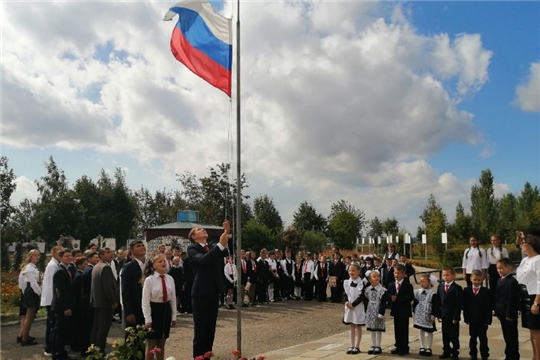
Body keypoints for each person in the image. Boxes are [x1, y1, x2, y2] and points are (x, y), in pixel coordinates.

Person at [188, 220, 230, 359]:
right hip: (200, 293)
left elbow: (224, 252)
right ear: (194, 236)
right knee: (200, 330)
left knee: (210, 329)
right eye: (199, 229)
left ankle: (207, 355)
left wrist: (226, 234)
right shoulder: (193, 249)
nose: (203, 230)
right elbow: (204, 260)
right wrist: (219, 244)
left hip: (213, 291)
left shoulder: (211, 246)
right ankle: (198, 357)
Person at [142, 253, 176, 360]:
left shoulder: (170, 278)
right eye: (160, 261)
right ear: (154, 266)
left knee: (161, 343)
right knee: (152, 344)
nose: (163, 263)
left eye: (164, 261)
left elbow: (173, 299)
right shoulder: (150, 280)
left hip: (165, 310)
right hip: (154, 310)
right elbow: (145, 301)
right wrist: (148, 318)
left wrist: (174, 316)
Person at [90, 247, 120, 354]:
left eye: (112, 252)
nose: (111, 254)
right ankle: (99, 351)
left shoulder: (96, 266)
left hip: (97, 302)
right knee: (103, 328)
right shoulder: (105, 268)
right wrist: (112, 301)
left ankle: (93, 348)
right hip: (105, 303)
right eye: (108, 253)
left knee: (97, 326)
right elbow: (107, 287)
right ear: (101, 255)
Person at [516, 233, 540, 359]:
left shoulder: (538, 260)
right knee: (531, 329)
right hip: (524, 296)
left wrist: (536, 303)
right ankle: (534, 355)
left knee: (537, 330)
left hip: (534, 297)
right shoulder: (525, 259)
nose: (521, 246)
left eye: (523, 244)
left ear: (531, 245)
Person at [463, 269, 492, 360]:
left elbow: (488, 307)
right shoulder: (466, 291)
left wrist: (488, 320)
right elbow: (465, 306)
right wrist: (466, 318)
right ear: (471, 279)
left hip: (482, 320)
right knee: (473, 337)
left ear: (482, 280)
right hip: (472, 319)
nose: (476, 282)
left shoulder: (486, 292)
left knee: (483, 338)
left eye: (479, 280)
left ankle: (484, 354)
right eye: (475, 280)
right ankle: (473, 354)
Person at [495, 257, 520, 360]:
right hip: (501, 312)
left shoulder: (512, 282)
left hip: (509, 314)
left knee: (511, 336)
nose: (499, 270)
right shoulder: (499, 280)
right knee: (506, 335)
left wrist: (510, 314)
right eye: (497, 268)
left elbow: (512, 299)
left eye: (501, 268)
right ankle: (508, 354)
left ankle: (513, 356)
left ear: (509, 268)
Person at [40, 245, 63, 357]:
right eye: (59, 252)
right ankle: (49, 347)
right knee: (52, 324)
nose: (61, 255)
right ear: (53, 253)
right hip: (51, 299)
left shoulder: (55, 264)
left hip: (51, 298)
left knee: (52, 323)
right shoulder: (53, 266)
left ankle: (51, 345)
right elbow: (53, 285)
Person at [52, 249, 74, 360]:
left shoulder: (67, 269)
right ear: (60, 258)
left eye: (70, 255)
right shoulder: (60, 271)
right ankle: (58, 353)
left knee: (64, 329)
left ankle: (61, 351)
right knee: (60, 330)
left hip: (66, 304)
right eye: (67, 256)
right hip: (61, 306)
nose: (70, 257)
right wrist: (66, 307)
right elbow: (59, 291)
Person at [436, 266, 463, 360]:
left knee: (454, 335)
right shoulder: (441, 286)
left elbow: (458, 304)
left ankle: (455, 352)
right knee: (445, 334)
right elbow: (438, 301)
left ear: (453, 276)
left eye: (447, 275)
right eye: (444, 275)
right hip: (444, 315)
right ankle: (446, 350)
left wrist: (456, 317)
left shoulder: (457, 288)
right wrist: (438, 314)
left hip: (452, 316)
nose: (445, 277)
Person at [18, 249, 42, 346]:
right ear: (30, 257)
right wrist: (40, 293)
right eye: (34, 255)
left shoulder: (33, 267)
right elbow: (32, 283)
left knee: (30, 316)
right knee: (29, 316)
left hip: (29, 291)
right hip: (31, 291)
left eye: (38, 255)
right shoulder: (29, 268)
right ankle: (25, 339)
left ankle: (23, 335)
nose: (37, 257)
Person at [388, 264, 414, 356]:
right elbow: (388, 295)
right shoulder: (391, 285)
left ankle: (404, 347)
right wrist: (390, 298)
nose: (396, 275)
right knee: (397, 329)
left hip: (404, 311)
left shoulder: (408, 285)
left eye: (398, 273)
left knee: (403, 329)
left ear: (403, 274)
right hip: (395, 310)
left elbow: (410, 297)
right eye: (395, 273)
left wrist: (398, 298)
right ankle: (398, 345)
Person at [121, 240, 146, 329]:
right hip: (135, 307)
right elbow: (125, 290)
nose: (142, 247)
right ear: (132, 251)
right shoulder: (128, 267)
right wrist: (129, 312)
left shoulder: (150, 265)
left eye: (142, 245)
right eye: (138, 246)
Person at [364, 270, 390, 355]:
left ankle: (378, 345)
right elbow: (366, 300)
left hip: (378, 310)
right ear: (370, 279)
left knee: (378, 329)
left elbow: (383, 303)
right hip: (370, 310)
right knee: (372, 329)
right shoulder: (367, 289)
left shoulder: (383, 290)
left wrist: (381, 313)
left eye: (378, 276)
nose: (377, 278)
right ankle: (373, 345)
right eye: (374, 276)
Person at [343, 263, 365, 355]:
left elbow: (362, 296)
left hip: (358, 307)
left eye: (353, 271)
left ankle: (357, 346)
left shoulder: (362, 282)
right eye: (350, 270)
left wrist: (354, 304)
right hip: (349, 307)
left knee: (358, 326)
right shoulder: (346, 282)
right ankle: (351, 345)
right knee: (351, 326)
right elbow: (344, 294)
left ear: (358, 272)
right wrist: (347, 302)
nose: (351, 272)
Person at [413, 273, 438, 357]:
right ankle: (422, 346)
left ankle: (429, 347)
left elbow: (435, 306)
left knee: (429, 331)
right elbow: (415, 302)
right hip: (420, 313)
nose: (421, 283)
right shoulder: (418, 292)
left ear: (429, 282)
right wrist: (414, 311)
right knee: (421, 329)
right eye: (420, 281)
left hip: (428, 314)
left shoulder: (433, 294)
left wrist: (433, 315)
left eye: (424, 281)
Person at [80, 251, 99, 356]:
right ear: (89, 259)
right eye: (95, 257)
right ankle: (86, 349)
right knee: (88, 328)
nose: (97, 259)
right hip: (88, 303)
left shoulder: (89, 269)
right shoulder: (90, 270)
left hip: (87, 302)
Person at [70, 256, 88, 354]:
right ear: (79, 266)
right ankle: (78, 346)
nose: (86, 266)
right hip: (78, 304)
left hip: (78, 303)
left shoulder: (79, 274)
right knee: (79, 326)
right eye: (85, 264)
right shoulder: (79, 276)